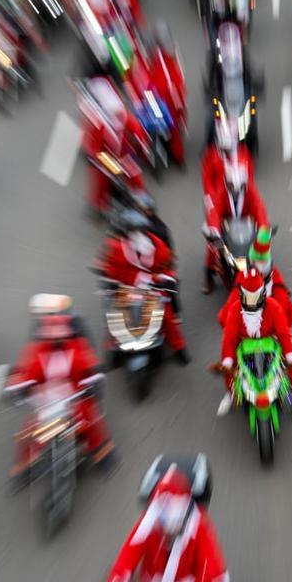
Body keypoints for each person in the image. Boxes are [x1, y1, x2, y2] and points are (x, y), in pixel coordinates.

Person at [97, 466, 229, 582]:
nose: (168, 530)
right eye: (163, 521)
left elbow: (211, 564)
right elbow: (127, 557)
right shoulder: (148, 524)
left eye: (175, 521)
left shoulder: (200, 524)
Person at [7, 294, 117, 468]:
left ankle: (103, 452)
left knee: (92, 420)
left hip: (74, 394)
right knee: (30, 429)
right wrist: (16, 387)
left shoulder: (77, 341)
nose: (55, 339)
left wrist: (93, 380)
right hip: (47, 398)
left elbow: (88, 362)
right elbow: (26, 370)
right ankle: (24, 465)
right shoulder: (37, 348)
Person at [216, 269, 292, 421]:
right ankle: (231, 394)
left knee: (288, 361)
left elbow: (283, 332)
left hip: (270, 341)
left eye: (255, 297)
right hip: (244, 343)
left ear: (262, 294)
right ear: (241, 294)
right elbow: (229, 336)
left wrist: (289, 355)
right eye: (247, 297)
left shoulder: (273, 306)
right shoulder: (235, 309)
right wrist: (228, 360)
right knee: (228, 361)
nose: (251, 302)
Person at [97, 212, 190, 365]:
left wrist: (165, 281)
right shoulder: (116, 246)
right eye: (133, 231)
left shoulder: (159, 247)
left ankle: (179, 348)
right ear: (126, 232)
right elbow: (106, 266)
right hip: (125, 288)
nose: (136, 235)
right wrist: (108, 280)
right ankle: (113, 350)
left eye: (139, 231)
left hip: (152, 289)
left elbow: (168, 269)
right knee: (114, 318)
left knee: (167, 317)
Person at [202, 118, 269, 294]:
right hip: (219, 210)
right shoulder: (212, 157)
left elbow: (259, 208)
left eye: (240, 187)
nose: (236, 190)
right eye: (232, 187)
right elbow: (209, 185)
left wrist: (263, 228)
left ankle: (266, 281)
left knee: (262, 253)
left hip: (243, 222)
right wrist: (213, 229)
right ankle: (208, 275)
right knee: (213, 248)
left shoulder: (245, 158)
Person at [80, 77, 149, 215]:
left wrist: (143, 144)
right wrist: (110, 164)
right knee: (101, 181)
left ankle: (142, 199)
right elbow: (94, 148)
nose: (117, 117)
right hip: (104, 156)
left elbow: (136, 129)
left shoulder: (121, 113)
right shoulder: (96, 124)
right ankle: (99, 205)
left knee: (134, 174)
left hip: (123, 152)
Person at [217, 226, 292, 326]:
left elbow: (224, 316)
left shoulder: (245, 277)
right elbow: (288, 313)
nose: (261, 273)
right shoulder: (273, 275)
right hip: (262, 329)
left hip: (260, 329)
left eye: (263, 266)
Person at [148, 22, 188, 166]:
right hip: (164, 98)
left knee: (173, 129)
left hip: (167, 100)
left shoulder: (163, 57)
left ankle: (178, 158)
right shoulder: (164, 55)